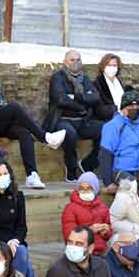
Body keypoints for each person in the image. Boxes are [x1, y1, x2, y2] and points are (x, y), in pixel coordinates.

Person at [44, 50, 107, 182]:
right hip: (62, 119)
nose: (75, 63)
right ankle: (71, 167)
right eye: (72, 60)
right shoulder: (58, 77)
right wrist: (81, 105)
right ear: (65, 62)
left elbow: (95, 97)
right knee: (69, 133)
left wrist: (76, 97)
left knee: (107, 129)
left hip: (83, 121)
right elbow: (61, 99)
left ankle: (88, 163)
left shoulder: (85, 79)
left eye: (78, 60)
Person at [98, 93, 139, 186]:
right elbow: (105, 155)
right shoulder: (113, 126)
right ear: (123, 108)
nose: (134, 109)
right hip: (121, 170)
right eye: (131, 106)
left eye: (137, 106)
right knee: (133, 185)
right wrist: (108, 183)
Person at [61, 172, 112, 257]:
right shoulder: (70, 208)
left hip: (101, 250)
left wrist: (106, 232)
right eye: (81, 188)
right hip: (80, 250)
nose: (85, 191)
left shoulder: (103, 208)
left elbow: (109, 233)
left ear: (95, 190)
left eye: (89, 188)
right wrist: (90, 230)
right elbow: (68, 235)